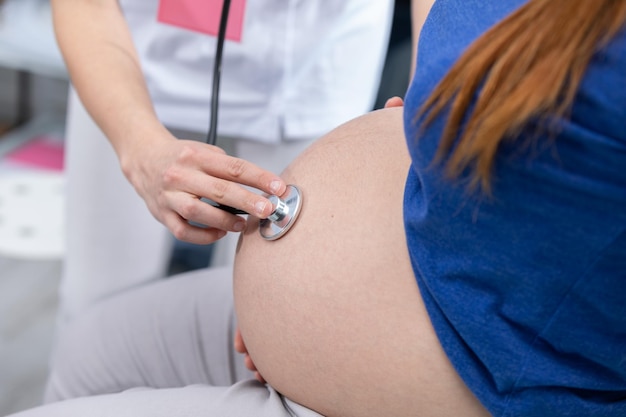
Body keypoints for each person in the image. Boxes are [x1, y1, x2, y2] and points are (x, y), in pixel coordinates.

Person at [10, 0, 626, 416]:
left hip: (307, 77)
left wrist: (430, 99)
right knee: (90, 323)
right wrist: (140, 148)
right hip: (144, 59)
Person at [51, 0, 394, 319]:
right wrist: (139, 148)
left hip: (310, 65)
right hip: (127, 51)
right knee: (95, 307)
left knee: (268, 310)